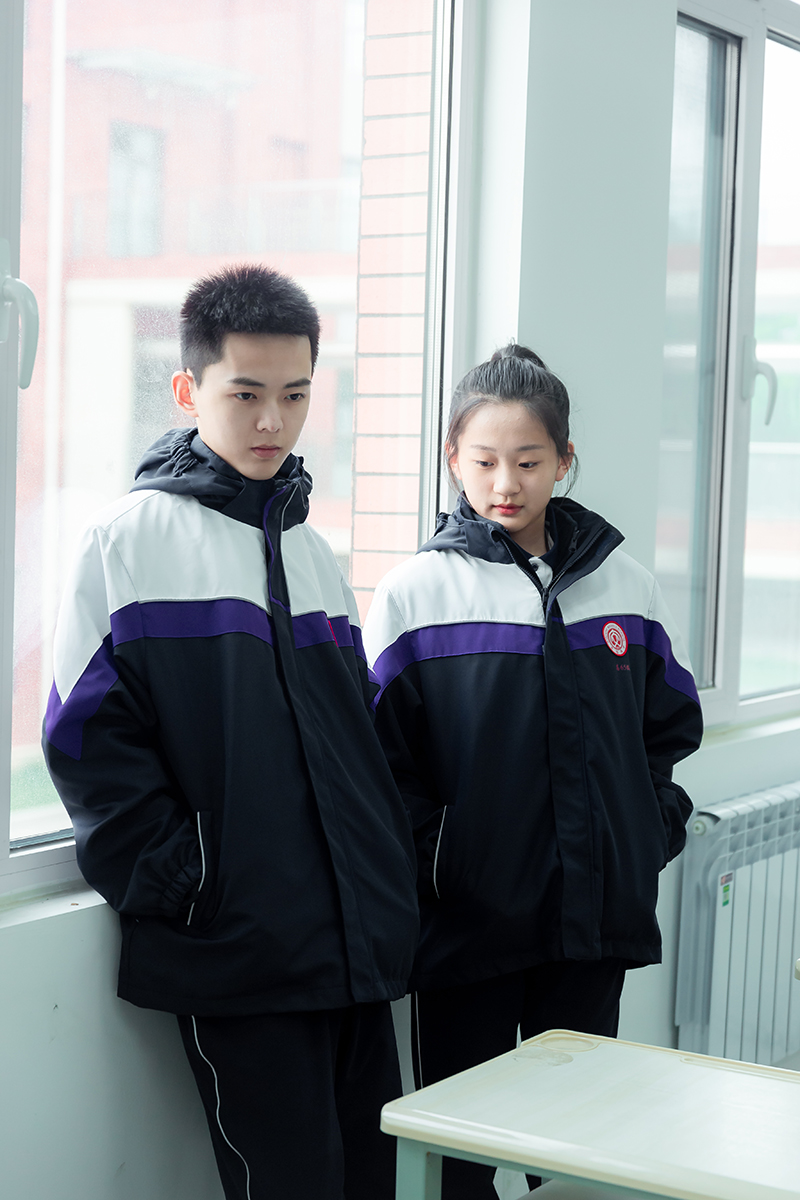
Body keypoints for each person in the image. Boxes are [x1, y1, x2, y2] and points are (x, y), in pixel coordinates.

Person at [43, 264, 419, 1200]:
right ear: (188, 390)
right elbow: (85, 743)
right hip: (239, 945)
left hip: (352, 943)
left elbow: (357, 745)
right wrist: (192, 880)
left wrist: (384, 873)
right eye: (245, 394)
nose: (272, 422)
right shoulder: (127, 542)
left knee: (376, 1180)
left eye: (295, 395)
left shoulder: (312, 551)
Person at [362, 344, 703, 1200]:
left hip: (591, 927)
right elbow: (381, 766)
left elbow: (666, 730)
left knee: (579, 1151)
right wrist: (442, 861)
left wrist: (644, 832)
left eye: (528, 460)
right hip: (466, 926)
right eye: (484, 461)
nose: (505, 483)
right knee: (460, 1156)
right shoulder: (415, 593)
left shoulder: (624, 585)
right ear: (453, 459)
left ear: (564, 460)